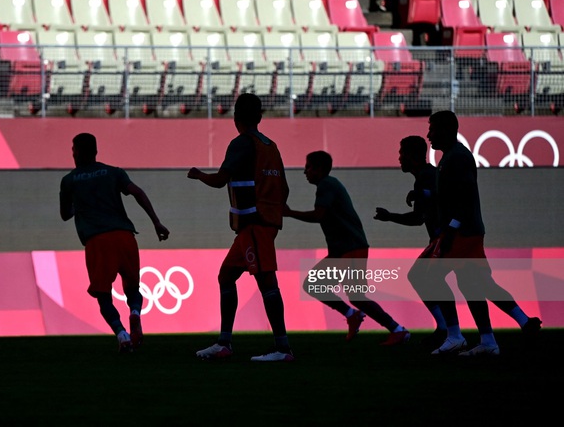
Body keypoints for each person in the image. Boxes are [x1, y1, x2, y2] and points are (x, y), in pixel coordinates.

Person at [424, 110, 542, 357]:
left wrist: (450, 232)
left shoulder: (457, 157)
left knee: (431, 277)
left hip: (463, 233)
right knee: (475, 284)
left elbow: (465, 199)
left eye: (432, 129)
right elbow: (451, 197)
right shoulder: (450, 158)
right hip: (467, 231)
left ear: (446, 130)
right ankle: (500, 334)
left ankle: (454, 335)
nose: (428, 135)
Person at [187, 93, 294, 362]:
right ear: (259, 117)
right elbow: (285, 189)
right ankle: (224, 343)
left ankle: (283, 349)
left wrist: (199, 175)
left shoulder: (240, 144)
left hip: (253, 225)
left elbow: (220, 180)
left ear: (235, 118)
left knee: (267, 281)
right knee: (226, 277)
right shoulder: (270, 146)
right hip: (261, 225)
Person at [285, 150, 410, 346]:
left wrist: (289, 213)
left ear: (319, 169)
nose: (305, 171)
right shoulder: (329, 184)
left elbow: (319, 215)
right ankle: (352, 315)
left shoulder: (326, 184)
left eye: (308, 167)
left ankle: (397, 329)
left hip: (350, 247)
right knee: (314, 285)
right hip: (342, 249)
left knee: (356, 296)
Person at [60, 132, 169, 353]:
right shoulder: (113, 172)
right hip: (125, 236)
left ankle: (122, 336)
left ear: (78, 152)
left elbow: (65, 214)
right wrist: (156, 222)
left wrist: (79, 205)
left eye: (73, 149)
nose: (72, 153)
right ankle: (135, 314)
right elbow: (137, 192)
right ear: (96, 151)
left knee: (103, 295)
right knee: (133, 288)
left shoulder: (69, 180)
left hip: (98, 241)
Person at [374, 136, 447, 347]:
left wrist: (422, 193)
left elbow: (440, 198)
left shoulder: (427, 176)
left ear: (412, 156)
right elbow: (418, 218)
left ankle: (449, 330)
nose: (399, 158)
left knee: (425, 277)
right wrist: (391, 216)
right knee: (428, 278)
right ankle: (447, 329)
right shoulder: (424, 176)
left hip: (448, 237)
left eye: (401, 153)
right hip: (441, 238)